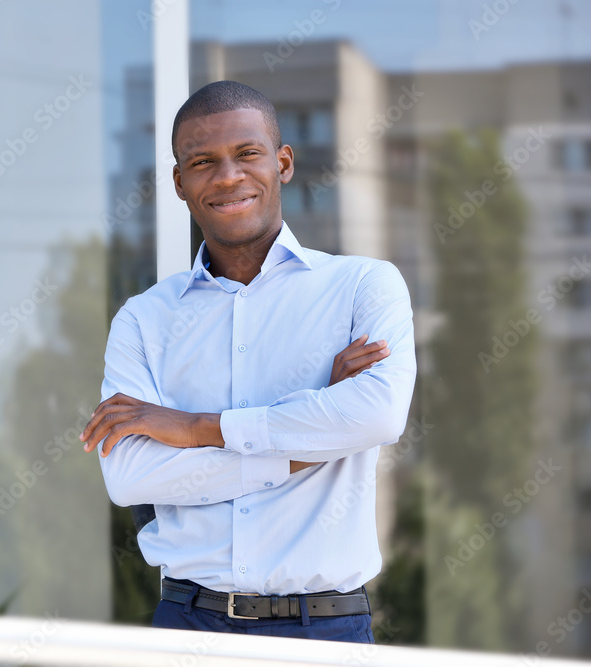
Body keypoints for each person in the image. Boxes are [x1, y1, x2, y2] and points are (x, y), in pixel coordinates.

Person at [79, 80, 416, 644]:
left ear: (283, 163)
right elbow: (131, 476)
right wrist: (315, 432)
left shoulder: (363, 286)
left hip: (325, 632)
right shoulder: (143, 320)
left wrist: (192, 429)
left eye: (248, 154)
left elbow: (378, 417)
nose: (228, 176)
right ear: (179, 182)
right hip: (188, 628)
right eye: (203, 161)